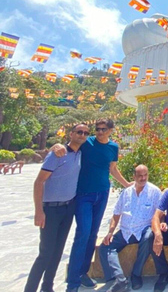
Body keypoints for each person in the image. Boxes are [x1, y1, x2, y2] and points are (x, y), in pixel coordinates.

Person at [51, 118, 132, 292]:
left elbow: (112, 169)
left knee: (93, 234)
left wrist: (127, 184)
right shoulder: (86, 142)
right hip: (83, 195)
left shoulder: (113, 147)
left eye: (103, 129)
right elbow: (67, 147)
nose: (99, 132)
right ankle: (72, 282)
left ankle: (83, 273)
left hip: (102, 194)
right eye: (97, 129)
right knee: (83, 234)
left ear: (111, 130)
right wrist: (55, 147)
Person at [24, 123, 89, 292]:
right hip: (51, 209)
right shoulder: (57, 154)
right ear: (71, 133)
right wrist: (39, 211)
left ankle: (48, 287)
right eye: (79, 132)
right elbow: (39, 181)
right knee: (45, 253)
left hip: (68, 208)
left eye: (86, 133)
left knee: (58, 251)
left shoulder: (80, 154)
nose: (82, 135)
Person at [99, 165, 162, 292]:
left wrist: (160, 226)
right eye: (140, 176)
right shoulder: (126, 192)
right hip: (125, 231)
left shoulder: (154, 191)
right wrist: (110, 232)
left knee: (149, 237)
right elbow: (116, 214)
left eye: (145, 175)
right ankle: (120, 280)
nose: (143, 178)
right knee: (105, 247)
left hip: (143, 229)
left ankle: (136, 275)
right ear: (134, 177)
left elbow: (161, 213)